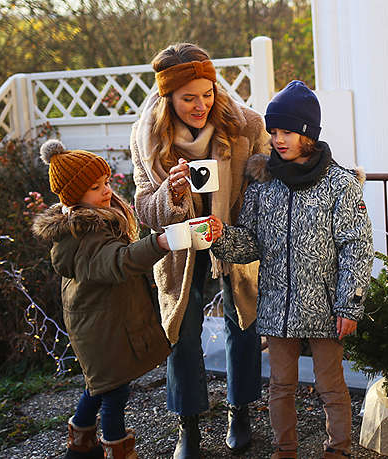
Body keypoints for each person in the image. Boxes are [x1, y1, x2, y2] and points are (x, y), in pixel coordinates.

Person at [210, 80, 374, 459]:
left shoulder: (339, 184)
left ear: (308, 134)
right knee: (280, 385)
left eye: (287, 131)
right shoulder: (262, 183)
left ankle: (338, 450)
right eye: (274, 131)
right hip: (277, 307)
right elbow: (250, 243)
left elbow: (357, 246)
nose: (278, 139)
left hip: (325, 307)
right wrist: (219, 237)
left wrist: (349, 305)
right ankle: (285, 450)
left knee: (331, 385)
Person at [129, 43, 269, 457]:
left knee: (243, 323)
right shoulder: (148, 137)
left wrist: (237, 222)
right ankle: (187, 425)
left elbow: (265, 187)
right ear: (168, 97)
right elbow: (144, 208)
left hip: (232, 236)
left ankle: (239, 409)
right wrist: (170, 194)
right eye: (189, 98)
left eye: (207, 94)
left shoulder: (244, 126)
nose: (201, 105)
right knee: (182, 333)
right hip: (180, 249)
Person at [32, 140, 172, 459]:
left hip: (100, 320)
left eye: (106, 182)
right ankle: (116, 449)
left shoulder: (94, 219)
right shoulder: (86, 233)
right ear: (73, 196)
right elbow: (118, 261)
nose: (106, 190)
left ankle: (80, 445)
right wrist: (158, 244)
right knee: (114, 391)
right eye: (95, 187)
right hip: (100, 326)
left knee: (101, 384)